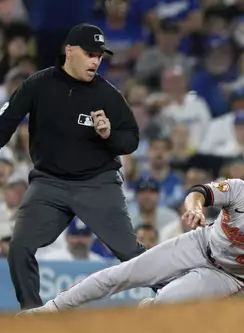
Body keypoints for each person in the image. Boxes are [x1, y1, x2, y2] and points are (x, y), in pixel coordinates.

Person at [19, 153, 244, 314]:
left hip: (227, 277)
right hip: (198, 244)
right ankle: (49, 312)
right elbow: (200, 191)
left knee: (160, 307)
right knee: (121, 274)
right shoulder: (240, 189)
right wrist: (194, 207)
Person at [0, 23, 145, 310]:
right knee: (19, 249)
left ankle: (179, 297)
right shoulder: (37, 85)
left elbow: (131, 139)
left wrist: (109, 135)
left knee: (130, 253)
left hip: (97, 182)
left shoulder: (107, 95)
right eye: (90, 53)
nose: (95, 61)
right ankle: (32, 314)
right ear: (69, 51)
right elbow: (5, 125)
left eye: (99, 56)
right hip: (49, 184)